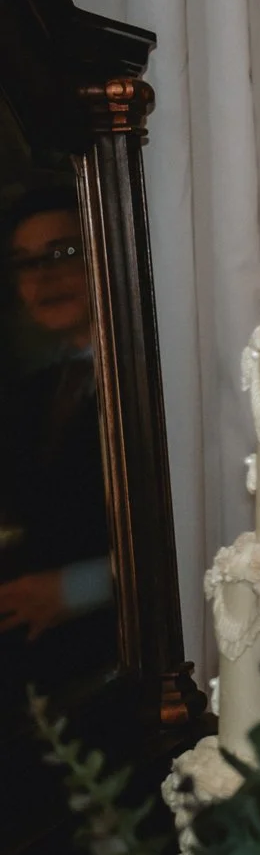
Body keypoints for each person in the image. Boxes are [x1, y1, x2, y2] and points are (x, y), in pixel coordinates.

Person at [0, 187, 113, 667]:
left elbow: (204, 526)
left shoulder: (158, 377)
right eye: (26, 263)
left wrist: (77, 589)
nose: (44, 277)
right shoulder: (33, 393)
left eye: (64, 252)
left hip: (126, 651)